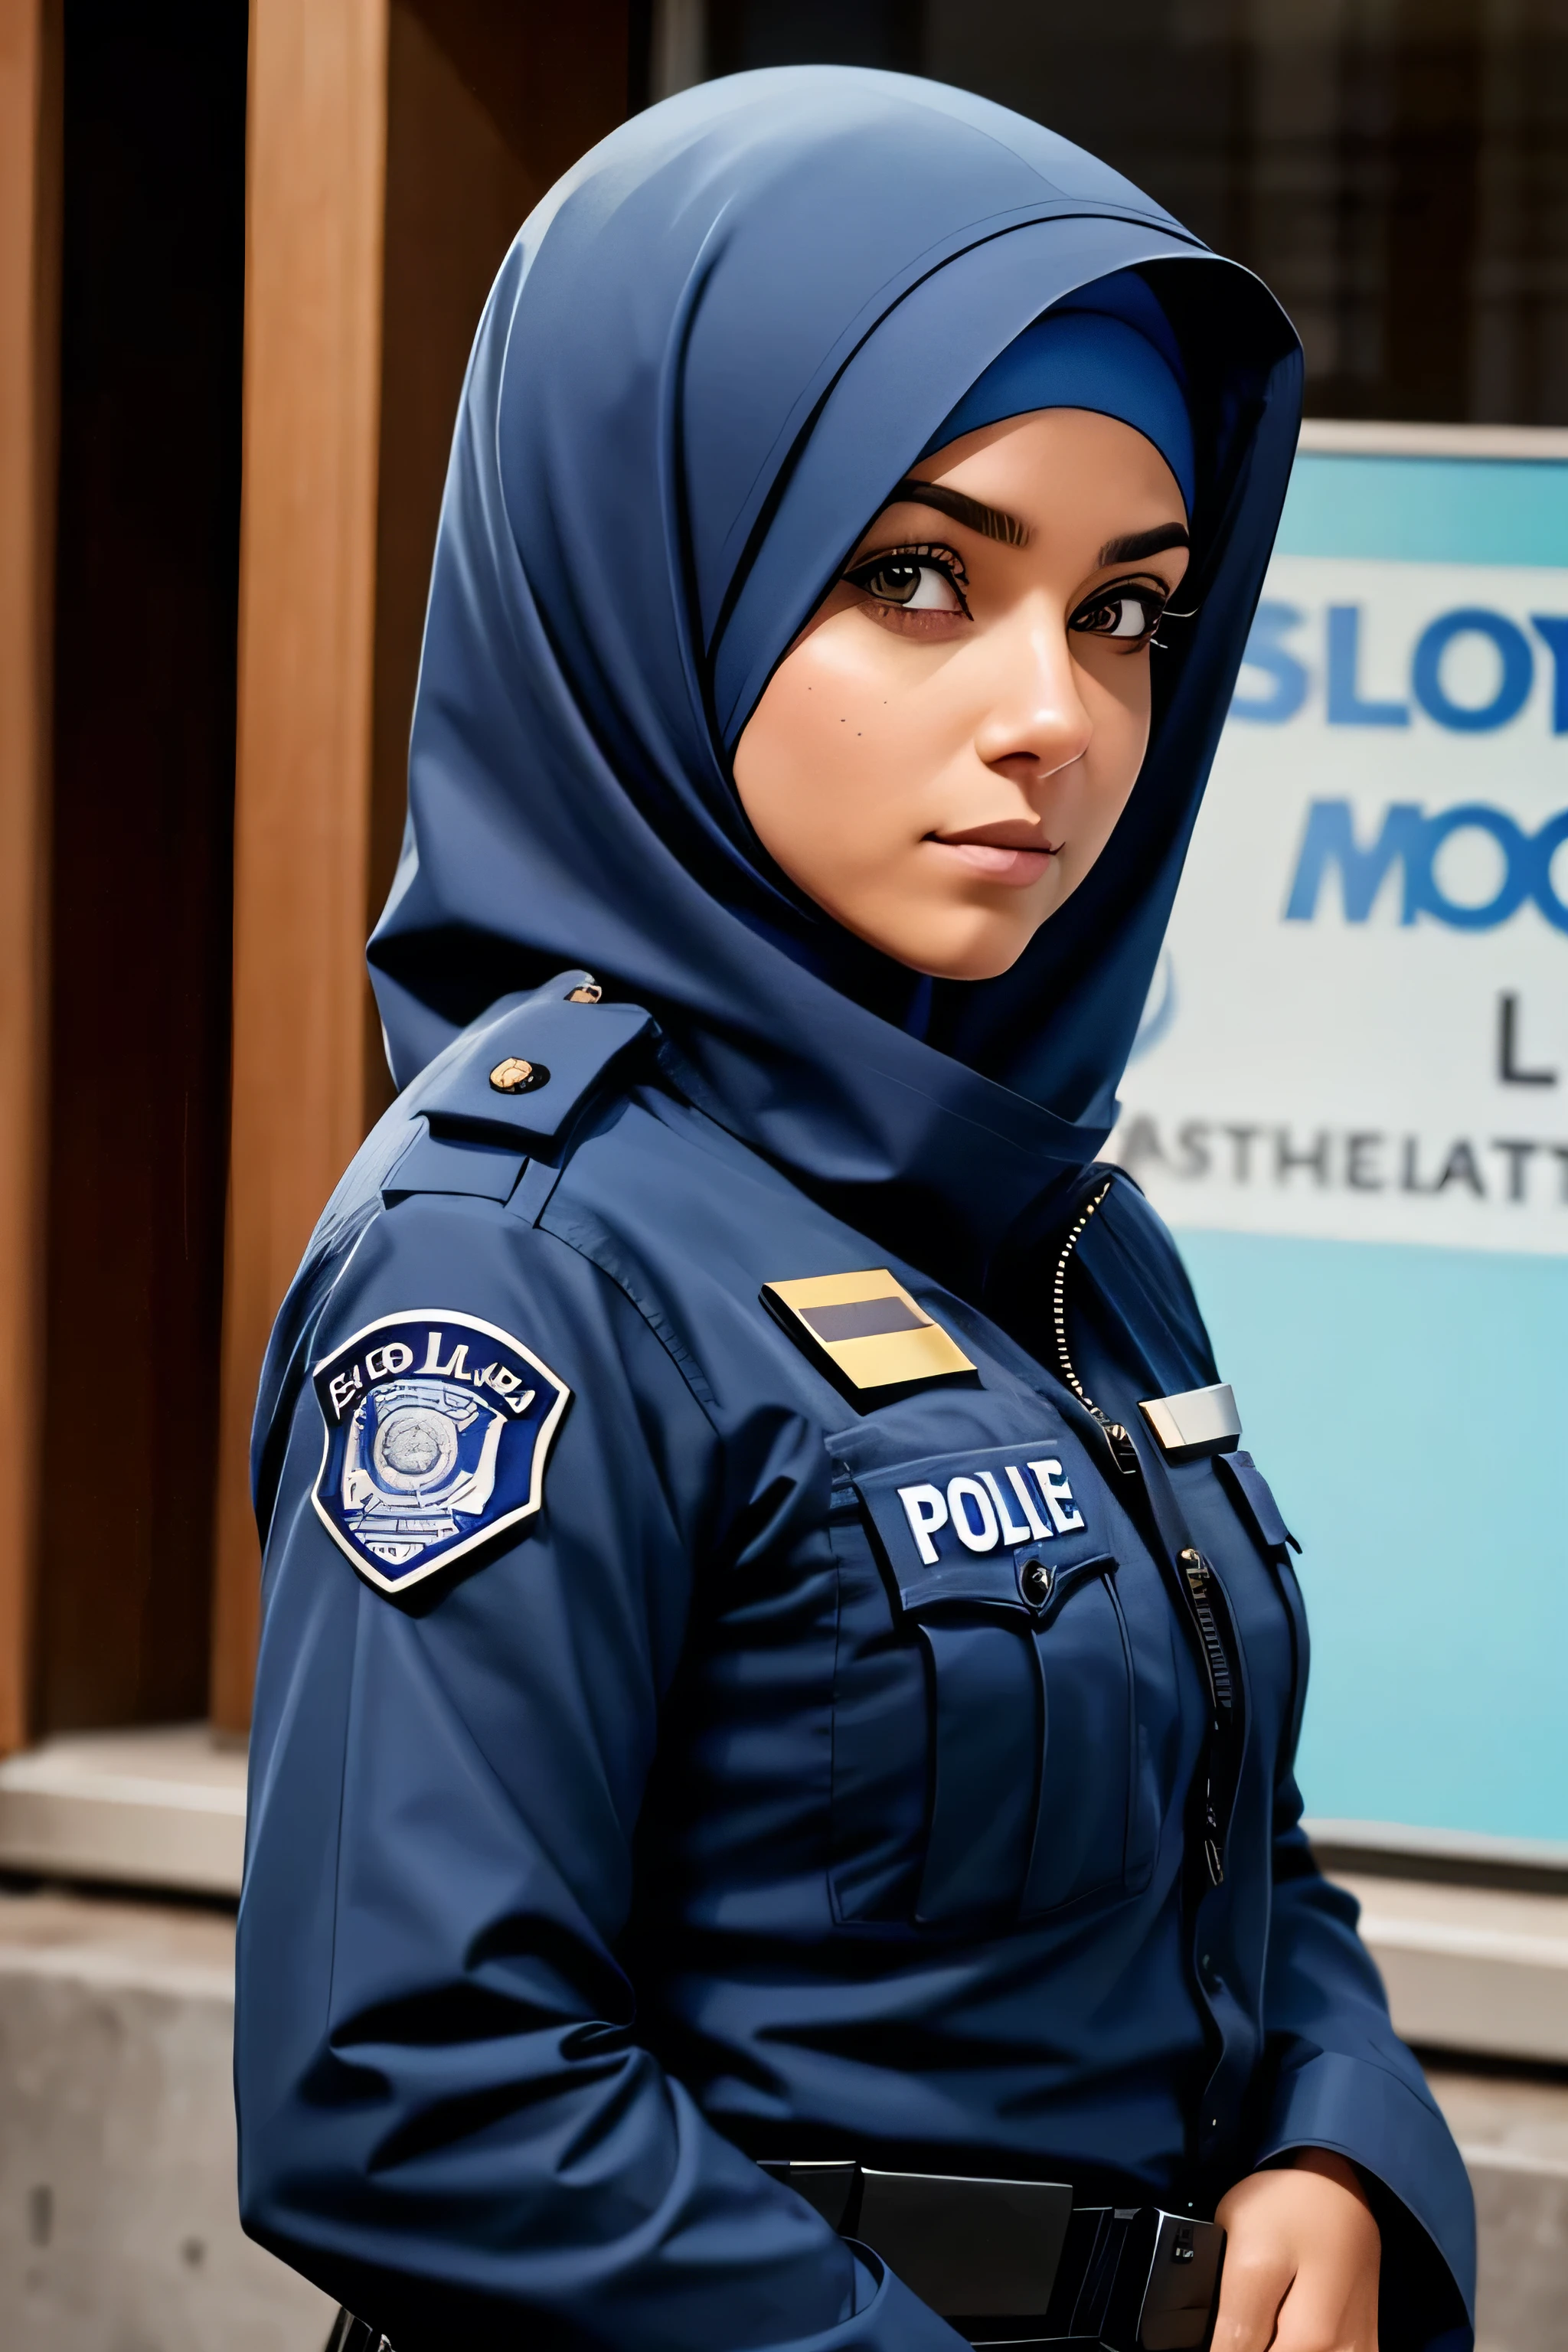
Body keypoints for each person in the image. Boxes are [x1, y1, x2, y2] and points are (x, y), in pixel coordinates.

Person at [234, 65, 1475, 2352]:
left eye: (1129, 615)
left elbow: (1221, 1840)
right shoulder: (521, 1260)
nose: (1056, 719)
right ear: (650, 573)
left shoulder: (1063, 1234)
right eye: (921, 577)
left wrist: (1344, 2134)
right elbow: (407, 2093)